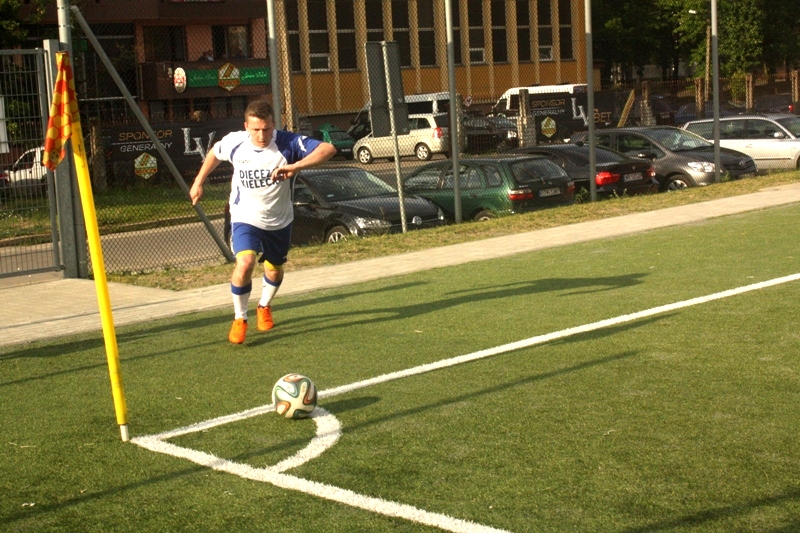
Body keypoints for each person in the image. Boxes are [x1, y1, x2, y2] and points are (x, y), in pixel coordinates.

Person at [190, 100, 336, 344]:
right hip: (244, 216)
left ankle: (264, 305)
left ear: (273, 125)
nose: (261, 135)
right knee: (245, 263)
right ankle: (240, 318)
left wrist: (296, 166)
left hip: (279, 220)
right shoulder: (236, 142)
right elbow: (215, 152)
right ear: (246, 126)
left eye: (266, 129)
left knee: (274, 270)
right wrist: (198, 182)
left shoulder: (288, 143)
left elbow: (328, 149)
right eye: (256, 129)